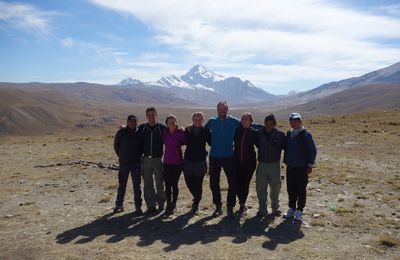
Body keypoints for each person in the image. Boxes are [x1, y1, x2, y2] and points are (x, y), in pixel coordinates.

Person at [205, 101, 262, 217]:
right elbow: (203, 130)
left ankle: (230, 206)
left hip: (229, 156)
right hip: (214, 156)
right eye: (220, 109)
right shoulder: (212, 121)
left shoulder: (233, 121)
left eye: (224, 109)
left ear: (227, 109)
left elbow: (246, 124)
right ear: (217, 109)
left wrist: (265, 127)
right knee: (214, 183)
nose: (222, 111)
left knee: (233, 183)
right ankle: (218, 207)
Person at [283, 112, 317, 221]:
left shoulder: (306, 134)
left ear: (300, 122)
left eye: (296, 121)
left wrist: (310, 164)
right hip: (291, 167)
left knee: (301, 189)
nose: (293, 123)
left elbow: (313, 150)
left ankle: (299, 210)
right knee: (290, 188)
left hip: (302, 167)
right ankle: (291, 208)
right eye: (292, 121)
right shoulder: (289, 134)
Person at [255, 113, 286, 217]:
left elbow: (286, 148)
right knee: (260, 188)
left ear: (274, 124)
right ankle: (262, 209)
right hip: (262, 165)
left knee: (276, 187)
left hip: (275, 165)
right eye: (267, 123)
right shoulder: (259, 133)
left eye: (271, 123)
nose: (269, 125)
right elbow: (256, 144)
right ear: (264, 123)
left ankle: (275, 208)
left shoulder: (280, 135)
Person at [138, 107, 167, 214]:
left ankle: (161, 204)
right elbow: (132, 132)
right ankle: (151, 205)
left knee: (160, 182)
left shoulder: (161, 128)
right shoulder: (142, 128)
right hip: (146, 159)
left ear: (156, 115)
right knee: (148, 183)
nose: (151, 117)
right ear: (146, 116)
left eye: (153, 115)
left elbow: (171, 134)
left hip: (158, 159)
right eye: (149, 115)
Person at [113, 115, 143, 214]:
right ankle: (119, 205)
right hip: (124, 164)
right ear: (127, 122)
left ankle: (138, 207)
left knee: (137, 186)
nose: (133, 123)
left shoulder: (139, 132)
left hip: (136, 164)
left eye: (135, 121)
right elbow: (116, 146)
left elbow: (142, 146)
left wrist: (139, 157)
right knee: (122, 185)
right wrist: (121, 156)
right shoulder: (121, 133)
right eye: (131, 121)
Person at [184, 112, 211, 215]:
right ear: (192, 120)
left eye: (199, 120)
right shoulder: (188, 130)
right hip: (188, 160)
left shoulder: (205, 131)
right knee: (188, 182)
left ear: (202, 120)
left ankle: (196, 204)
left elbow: (212, 142)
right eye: (195, 119)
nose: (197, 121)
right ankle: (197, 197)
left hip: (200, 162)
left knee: (198, 183)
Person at [233, 112, 258, 216]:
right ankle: (241, 201)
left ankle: (242, 204)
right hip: (237, 161)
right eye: (242, 119)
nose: (244, 121)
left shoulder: (254, 132)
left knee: (245, 183)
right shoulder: (237, 130)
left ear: (251, 121)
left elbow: (261, 145)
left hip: (249, 163)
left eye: (246, 119)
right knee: (237, 183)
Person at [162, 114, 185, 215]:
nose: (171, 124)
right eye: (169, 122)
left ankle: (174, 203)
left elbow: (187, 141)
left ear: (176, 123)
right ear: (166, 123)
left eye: (173, 122)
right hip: (166, 162)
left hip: (177, 163)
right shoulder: (164, 132)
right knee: (167, 184)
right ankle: (168, 204)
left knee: (174, 184)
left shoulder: (181, 132)